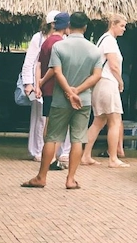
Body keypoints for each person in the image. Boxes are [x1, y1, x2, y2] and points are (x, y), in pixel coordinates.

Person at [22, 12, 102, 190]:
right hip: (83, 100)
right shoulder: (95, 50)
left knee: (52, 138)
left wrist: (68, 92)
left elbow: (56, 72)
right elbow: (97, 75)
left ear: (69, 25)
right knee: (77, 139)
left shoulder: (59, 46)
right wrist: (78, 91)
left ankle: (41, 177)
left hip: (60, 99)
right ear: (86, 27)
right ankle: (71, 179)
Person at [82, 13, 129, 168]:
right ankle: (113, 158)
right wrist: (120, 82)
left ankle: (85, 155)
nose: (124, 29)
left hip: (100, 84)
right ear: (113, 24)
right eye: (121, 25)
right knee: (115, 121)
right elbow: (114, 65)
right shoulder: (109, 41)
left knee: (98, 121)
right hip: (108, 82)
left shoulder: (102, 39)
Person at [21, 10, 59, 161]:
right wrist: (28, 83)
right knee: (39, 118)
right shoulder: (38, 38)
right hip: (38, 84)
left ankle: (59, 151)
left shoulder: (65, 38)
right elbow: (30, 62)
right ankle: (37, 150)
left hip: (54, 84)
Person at [35, 12, 72, 169]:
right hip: (56, 88)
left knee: (49, 123)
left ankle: (49, 156)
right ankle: (50, 159)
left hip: (48, 89)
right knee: (57, 126)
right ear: (66, 26)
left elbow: (38, 64)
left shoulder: (46, 42)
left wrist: (39, 83)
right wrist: (43, 80)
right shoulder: (60, 43)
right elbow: (55, 68)